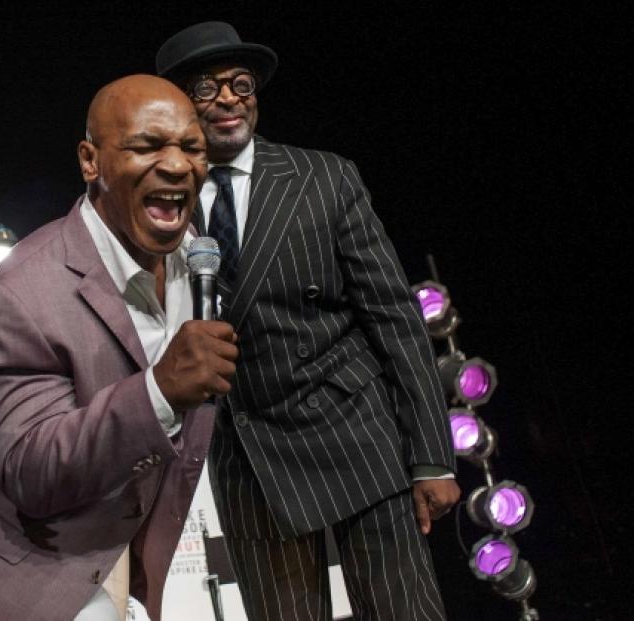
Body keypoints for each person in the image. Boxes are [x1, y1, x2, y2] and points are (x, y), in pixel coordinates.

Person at [0, 74, 239, 621]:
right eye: (147, 146)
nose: (177, 165)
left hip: (101, 532)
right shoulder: (20, 292)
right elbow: (34, 470)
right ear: (90, 161)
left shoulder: (196, 255)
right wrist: (160, 390)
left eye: (191, 147)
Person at [156, 22, 461, 620]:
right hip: (247, 455)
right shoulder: (160, 200)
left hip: (355, 435)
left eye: (240, 84)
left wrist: (431, 455)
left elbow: (396, 320)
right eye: (205, 88)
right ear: (175, 106)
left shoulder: (324, 178)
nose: (227, 99)